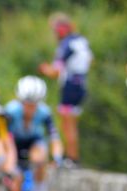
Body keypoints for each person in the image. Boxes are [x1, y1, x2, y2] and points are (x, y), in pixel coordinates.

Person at [0, 76, 63, 191]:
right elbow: (3, 139)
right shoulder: (10, 112)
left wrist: (57, 157)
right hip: (13, 145)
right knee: (15, 189)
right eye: (27, 103)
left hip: (33, 143)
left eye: (34, 104)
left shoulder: (44, 113)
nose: (30, 108)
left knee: (40, 158)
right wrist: (6, 164)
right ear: (20, 101)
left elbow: (54, 138)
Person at [39, 12, 92, 168]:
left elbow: (55, 71)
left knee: (67, 123)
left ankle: (71, 158)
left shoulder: (66, 44)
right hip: (81, 84)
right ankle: (72, 158)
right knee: (72, 122)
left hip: (70, 85)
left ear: (61, 29)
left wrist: (44, 69)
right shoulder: (81, 40)